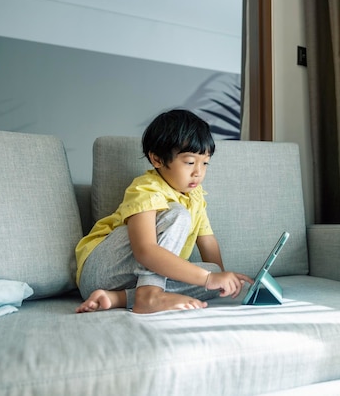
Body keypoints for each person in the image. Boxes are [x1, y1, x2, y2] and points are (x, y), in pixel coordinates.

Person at [75, 109, 252, 314]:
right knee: (176, 215)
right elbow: (145, 250)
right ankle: (150, 294)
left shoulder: (195, 196)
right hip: (101, 269)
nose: (198, 172)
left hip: (127, 281)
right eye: (189, 162)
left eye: (205, 163)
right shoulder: (146, 188)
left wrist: (221, 277)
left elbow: (208, 241)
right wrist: (207, 278)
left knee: (211, 276)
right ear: (157, 159)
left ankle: (120, 298)